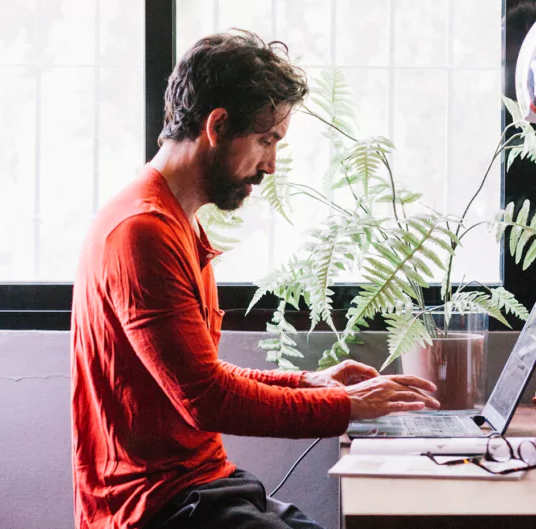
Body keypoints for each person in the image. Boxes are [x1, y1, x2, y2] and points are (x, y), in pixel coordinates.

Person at [70, 30, 440, 529]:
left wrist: (311, 382)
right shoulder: (142, 232)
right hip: (155, 507)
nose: (270, 164)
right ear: (218, 126)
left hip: (205, 486)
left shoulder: (176, 220)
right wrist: (342, 407)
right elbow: (206, 399)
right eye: (266, 140)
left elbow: (203, 374)